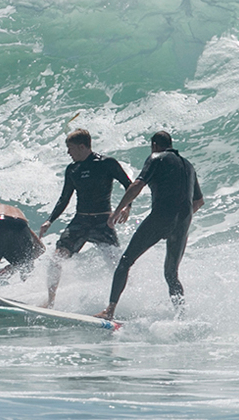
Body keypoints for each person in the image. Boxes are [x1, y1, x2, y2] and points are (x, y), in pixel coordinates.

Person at [96, 131, 203, 320]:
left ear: (154, 145)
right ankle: (181, 316)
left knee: (125, 261)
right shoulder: (189, 166)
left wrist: (118, 210)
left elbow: (137, 185)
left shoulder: (156, 158)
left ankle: (109, 310)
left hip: (161, 217)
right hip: (183, 223)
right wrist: (179, 220)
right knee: (171, 273)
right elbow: (198, 202)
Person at [38, 129, 133, 307]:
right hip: (80, 222)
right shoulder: (72, 169)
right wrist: (50, 220)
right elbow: (64, 198)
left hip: (103, 222)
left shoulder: (107, 163)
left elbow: (129, 185)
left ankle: (127, 300)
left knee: (116, 264)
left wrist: (127, 207)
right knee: (55, 259)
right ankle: (50, 301)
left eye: (71, 148)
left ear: (82, 147)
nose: (68, 153)